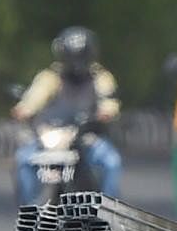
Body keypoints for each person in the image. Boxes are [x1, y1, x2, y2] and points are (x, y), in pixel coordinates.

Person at [12, 26, 122, 204]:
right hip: (51, 137)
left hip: (88, 138)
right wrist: (23, 110)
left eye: (80, 57)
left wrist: (105, 113)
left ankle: (110, 214)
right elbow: (33, 98)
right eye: (72, 57)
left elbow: (109, 102)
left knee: (111, 162)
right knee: (23, 160)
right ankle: (29, 210)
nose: (76, 62)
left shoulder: (100, 77)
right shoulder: (50, 77)